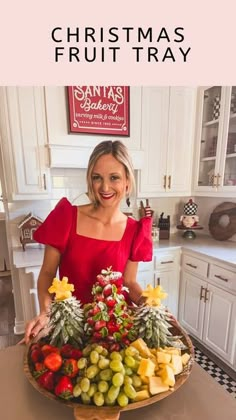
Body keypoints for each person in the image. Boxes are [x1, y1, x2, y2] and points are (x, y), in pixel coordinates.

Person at [22, 140, 153, 343]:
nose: (105, 187)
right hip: (70, 327)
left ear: (127, 181)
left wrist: (151, 305)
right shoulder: (66, 217)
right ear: (90, 180)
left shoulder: (135, 230)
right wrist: (45, 313)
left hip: (113, 329)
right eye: (97, 178)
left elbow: (129, 281)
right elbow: (47, 273)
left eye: (114, 178)